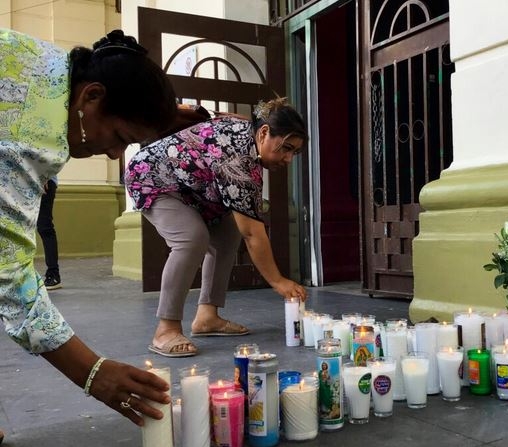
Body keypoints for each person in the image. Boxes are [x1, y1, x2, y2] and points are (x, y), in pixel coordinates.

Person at [0, 28, 178, 433]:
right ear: (91, 96)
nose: (115, 153)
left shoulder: (49, 66)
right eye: (119, 138)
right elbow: (8, 274)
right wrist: (92, 371)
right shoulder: (31, 132)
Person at [125, 98, 308, 358]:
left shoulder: (251, 133)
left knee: (227, 233)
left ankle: (207, 317)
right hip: (152, 176)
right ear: (265, 133)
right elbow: (253, 233)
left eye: (294, 152)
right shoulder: (239, 161)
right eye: (286, 148)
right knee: (191, 238)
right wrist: (278, 282)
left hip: (190, 187)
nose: (288, 159)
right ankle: (166, 329)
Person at [38, 176, 62, 290]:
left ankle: (53, 274)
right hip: (20, 180)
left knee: (44, 227)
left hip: (44, 180)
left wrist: (45, 174)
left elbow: (53, 158)